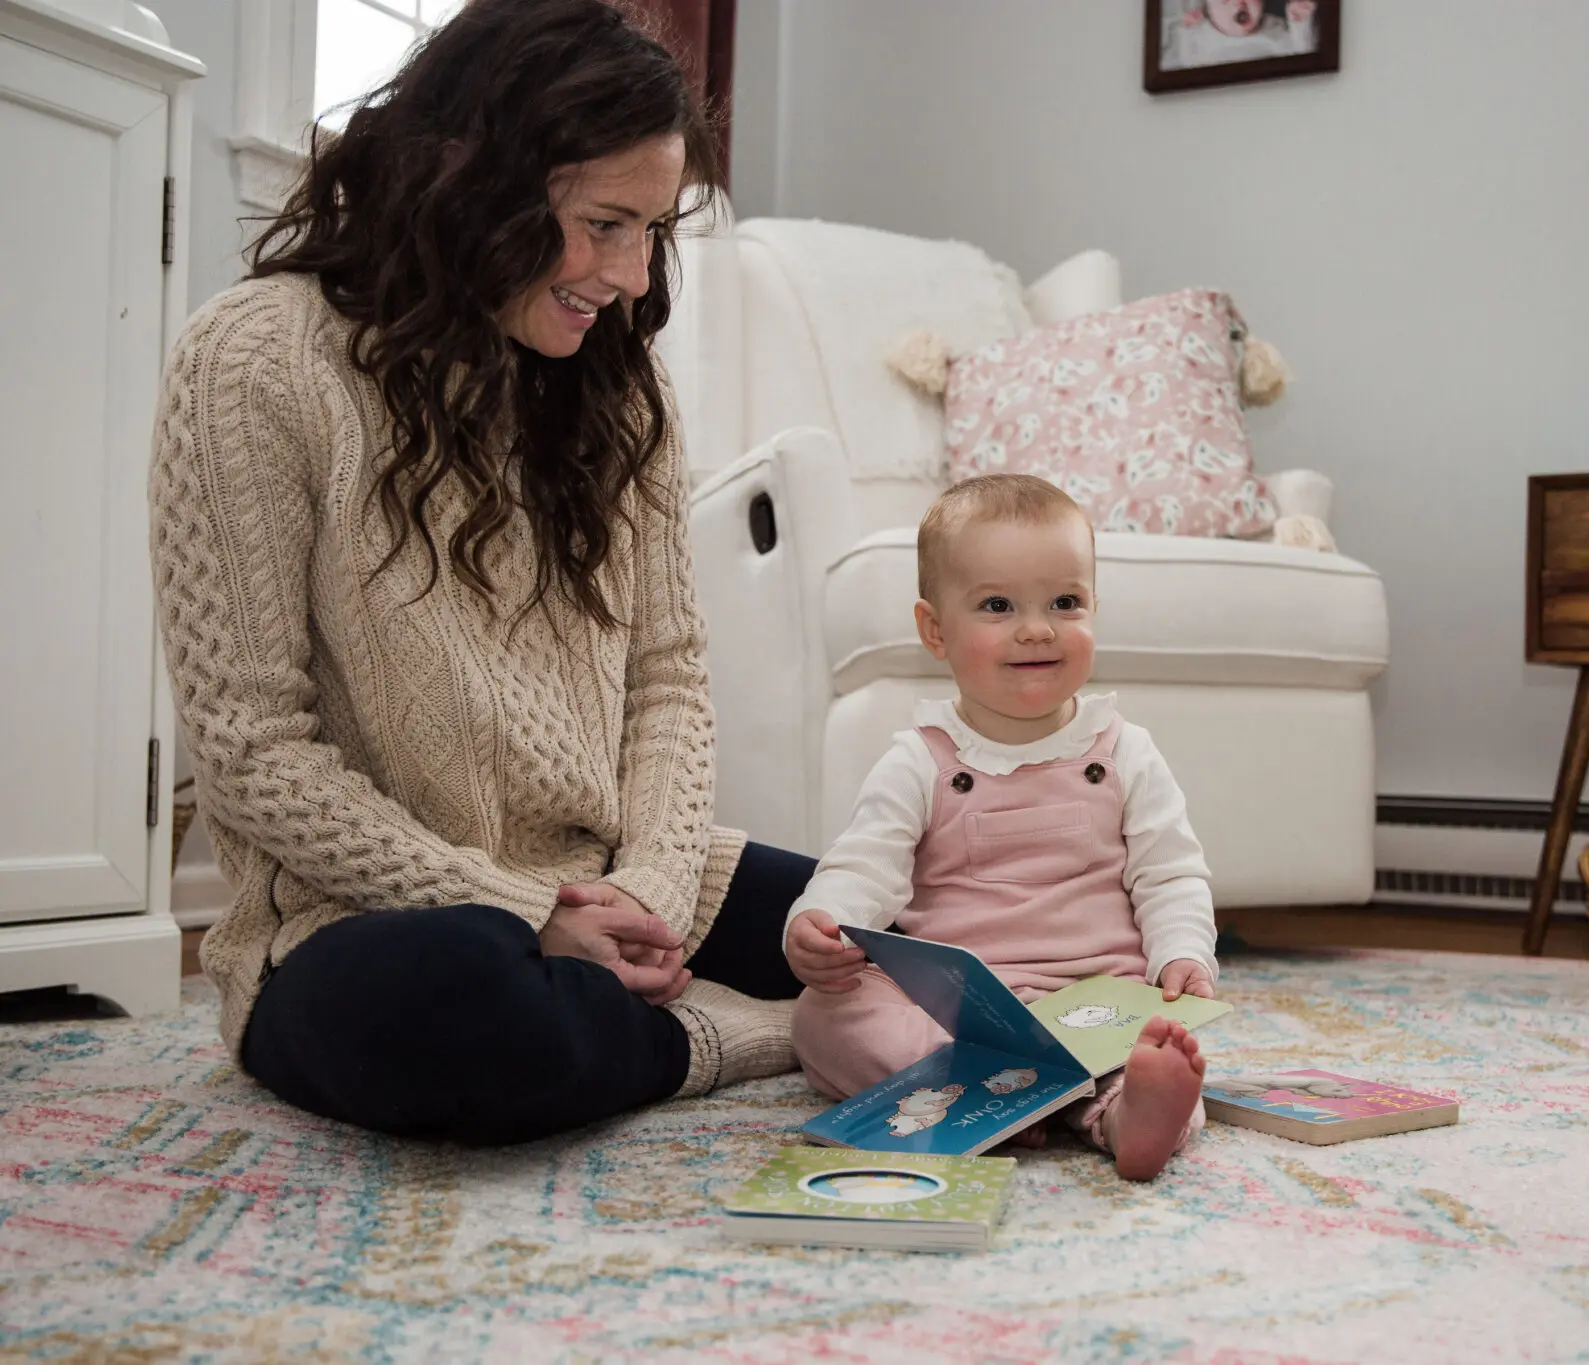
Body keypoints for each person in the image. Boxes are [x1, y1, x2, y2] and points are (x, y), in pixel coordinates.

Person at [148, 0, 805, 1146]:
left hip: (606, 880)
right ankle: (735, 1038)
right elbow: (252, 752)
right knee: (478, 1006)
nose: (633, 278)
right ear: (476, 180)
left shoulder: (617, 392)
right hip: (357, 920)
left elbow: (667, 678)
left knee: (906, 928)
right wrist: (526, 909)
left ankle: (638, 997)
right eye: (607, 224)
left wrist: (644, 890)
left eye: (652, 232)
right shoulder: (252, 358)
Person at [783, 475, 1219, 1181]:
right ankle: (1024, 1096)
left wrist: (1182, 956)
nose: (1038, 627)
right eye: (997, 605)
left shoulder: (1123, 749)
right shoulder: (919, 758)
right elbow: (862, 866)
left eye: (1065, 602)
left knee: (1163, 1045)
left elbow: (1170, 873)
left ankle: (1126, 1110)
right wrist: (822, 921)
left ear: (1094, 610)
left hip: (1096, 997)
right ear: (935, 630)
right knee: (821, 1015)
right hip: (959, 1015)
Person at [1162, 0, 1319, 71]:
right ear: (1208, 9)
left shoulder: (1274, 29)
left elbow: (1302, 55)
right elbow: (1185, 64)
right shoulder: (1200, 36)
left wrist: (1299, 23)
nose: (1238, 3)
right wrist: (1186, 32)